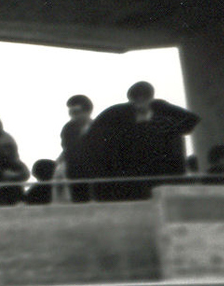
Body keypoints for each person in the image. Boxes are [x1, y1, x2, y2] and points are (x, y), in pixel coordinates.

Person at [73, 81, 201, 201]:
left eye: (144, 98)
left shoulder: (161, 109)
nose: (140, 102)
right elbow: (91, 138)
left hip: (160, 172)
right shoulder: (117, 114)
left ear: (150, 98)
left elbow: (191, 120)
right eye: (137, 98)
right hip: (131, 176)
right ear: (131, 100)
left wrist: (164, 128)